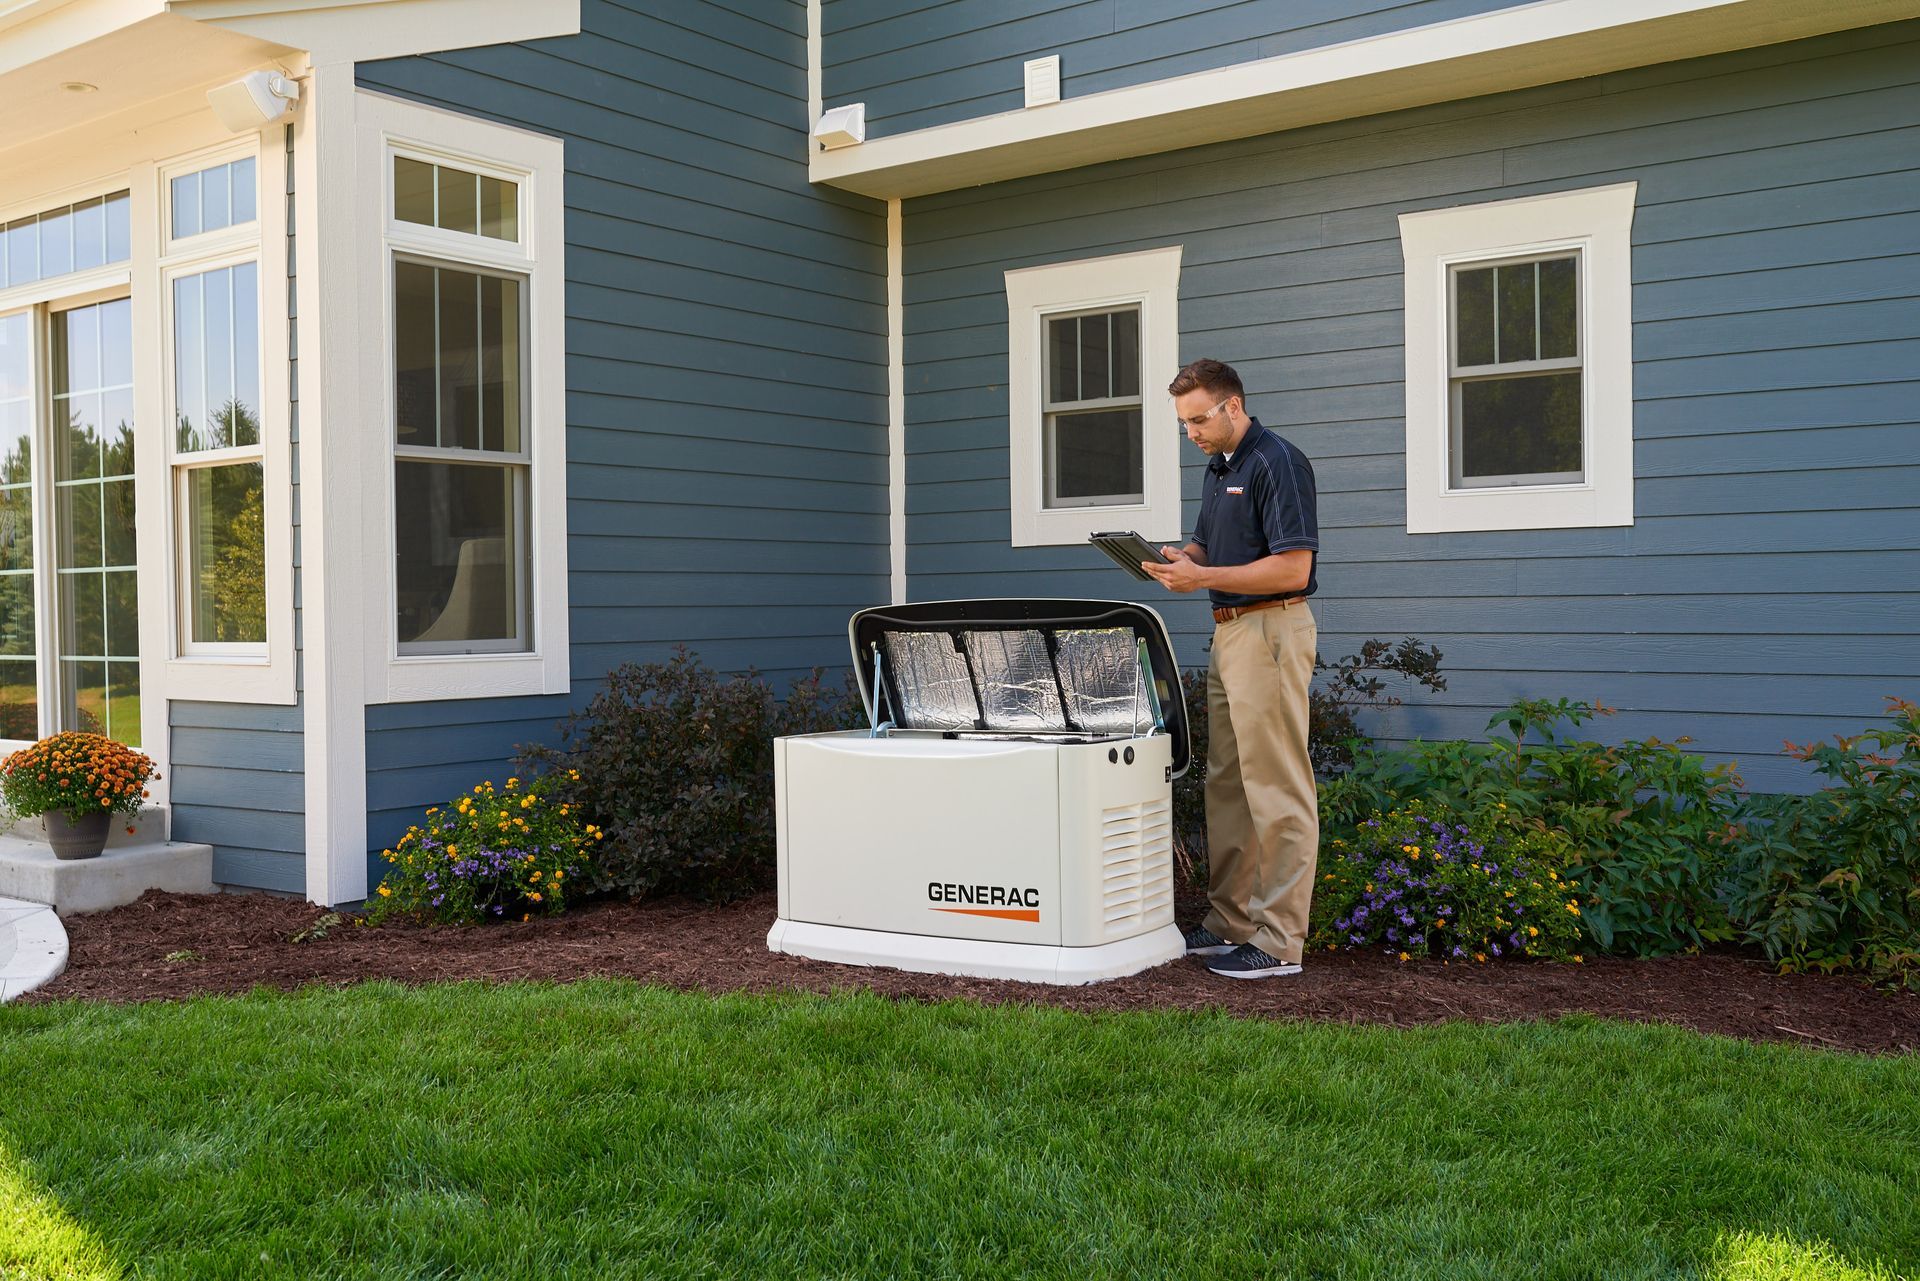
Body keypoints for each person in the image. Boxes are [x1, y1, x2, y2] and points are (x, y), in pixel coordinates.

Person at [1141, 358, 1320, 979]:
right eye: (1183, 423)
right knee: (1230, 785)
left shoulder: (1278, 462)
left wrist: (1203, 576)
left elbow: (1293, 567)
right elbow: (1207, 547)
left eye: (1197, 420)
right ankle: (1230, 923)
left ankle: (1277, 943)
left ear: (1232, 406)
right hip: (1230, 633)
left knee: (1276, 787)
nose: (1190, 433)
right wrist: (1173, 560)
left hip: (1271, 627)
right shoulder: (1221, 469)